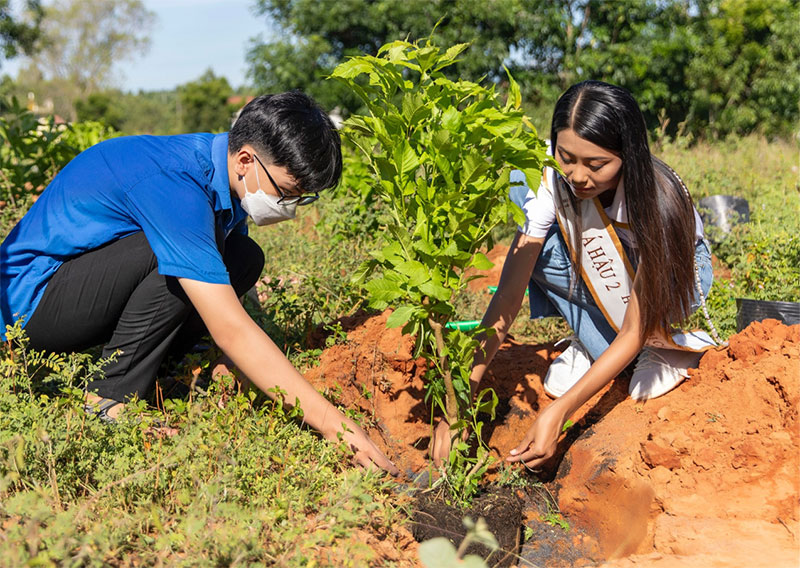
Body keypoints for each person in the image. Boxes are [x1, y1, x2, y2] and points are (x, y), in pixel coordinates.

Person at [1, 91, 398, 475]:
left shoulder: (220, 175)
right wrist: (334, 425)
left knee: (242, 257)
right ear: (246, 159)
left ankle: (156, 371)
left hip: (81, 291)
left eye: (301, 199)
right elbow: (231, 328)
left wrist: (226, 362)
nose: (290, 209)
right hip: (30, 306)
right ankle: (107, 399)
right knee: (173, 256)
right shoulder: (176, 185)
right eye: (288, 193)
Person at [432, 80, 717, 469]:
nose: (578, 176)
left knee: (635, 352)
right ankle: (594, 340)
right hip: (600, 272)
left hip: (673, 277)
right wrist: (461, 397)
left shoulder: (658, 202)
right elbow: (509, 293)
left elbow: (633, 328)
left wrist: (560, 411)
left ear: (627, 155)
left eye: (596, 165)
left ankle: (662, 346)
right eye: (567, 157)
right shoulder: (551, 175)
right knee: (537, 247)